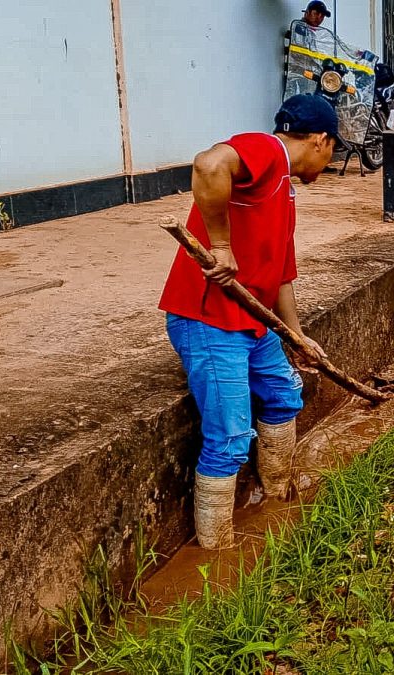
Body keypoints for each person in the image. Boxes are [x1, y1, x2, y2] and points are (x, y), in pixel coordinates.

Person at [158, 94, 342, 550]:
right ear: (321, 140)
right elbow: (207, 164)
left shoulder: (285, 187)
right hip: (209, 319)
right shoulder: (266, 150)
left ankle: (275, 497)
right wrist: (220, 245)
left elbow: (281, 274)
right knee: (231, 439)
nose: (331, 158)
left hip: (253, 322)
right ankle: (217, 553)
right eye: (333, 148)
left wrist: (296, 337)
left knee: (284, 395)